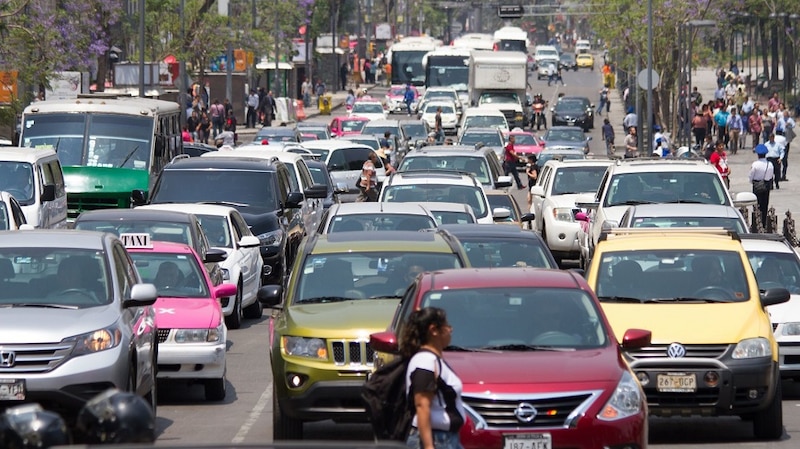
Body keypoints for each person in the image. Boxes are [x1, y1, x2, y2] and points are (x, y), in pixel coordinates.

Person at [400, 307, 465, 449]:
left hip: (446, 439)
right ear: (434, 330)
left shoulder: (434, 360)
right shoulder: (425, 362)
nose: (450, 330)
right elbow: (422, 405)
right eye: (447, 326)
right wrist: (429, 446)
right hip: (437, 439)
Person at [749, 144, 775, 228]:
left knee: (757, 205)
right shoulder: (770, 164)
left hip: (757, 185)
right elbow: (770, 176)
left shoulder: (755, 164)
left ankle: (756, 222)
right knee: (765, 205)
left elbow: (751, 175)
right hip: (766, 186)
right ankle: (763, 223)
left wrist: (751, 181)